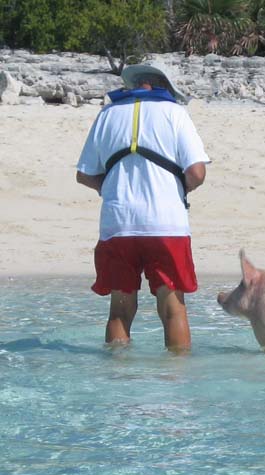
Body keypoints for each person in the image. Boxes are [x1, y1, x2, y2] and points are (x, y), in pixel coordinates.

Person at [76, 63, 209, 352]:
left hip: (117, 223)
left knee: (119, 310)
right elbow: (197, 173)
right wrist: (180, 189)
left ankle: (119, 375)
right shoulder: (174, 112)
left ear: (136, 85)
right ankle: (175, 375)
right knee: (172, 309)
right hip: (166, 224)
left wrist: (110, 189)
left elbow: (84, 174)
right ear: (161, 86)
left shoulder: (107, 114)